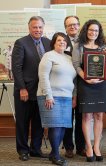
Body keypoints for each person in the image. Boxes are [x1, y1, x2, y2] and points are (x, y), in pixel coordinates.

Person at [72, 19, 106, 162]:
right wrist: (86, 78)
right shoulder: (78, 46)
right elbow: (76, 65)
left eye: (96, 30)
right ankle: (88, 146)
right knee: (87, 117)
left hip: (101, 86)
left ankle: (97, 146)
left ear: (99, 32)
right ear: (86, 30)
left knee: (99, 117)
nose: (93, 33)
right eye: (91, 30)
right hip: (86, 85)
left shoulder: (102, 46)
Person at [11, 16, 51, 161]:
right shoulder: (21, 43)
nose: (38, 30)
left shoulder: (47, 42)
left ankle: (35, 149)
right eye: (35, 27)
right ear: (29, 28)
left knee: (38, 122)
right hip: (25, 91)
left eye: (40, 27)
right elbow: (16, 68)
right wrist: (22, 88)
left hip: (41, 91)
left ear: (43, 28)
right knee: (22, 122)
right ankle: (23, 150)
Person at [37, 32, 76, 166]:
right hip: (51, 96)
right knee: (55, 127)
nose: (62, 42)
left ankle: (54, 153)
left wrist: (73, 96)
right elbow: (43, 77)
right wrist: (48, 95)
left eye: (64, 41)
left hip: (66, 97)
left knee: (63, 126)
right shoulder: (48, 56)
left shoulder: (69, 58)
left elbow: (73, 79)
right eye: (59, 40)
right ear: (54, 42)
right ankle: (56, 155)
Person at [62, 15, 86, 158]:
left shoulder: (85, 42)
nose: (73, 27)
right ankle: (68, 147)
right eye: (69, 25)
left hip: (83, 86)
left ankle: (81, 147)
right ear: (65, 27)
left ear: (79, 25)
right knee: (67, 119)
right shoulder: (61, 42)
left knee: (82, 117)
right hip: (66, 87)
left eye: (75, 24)